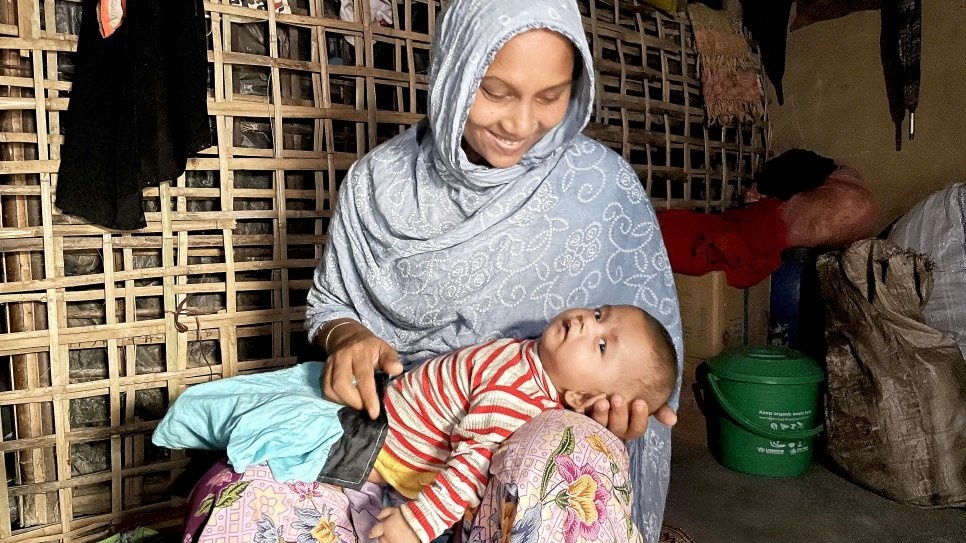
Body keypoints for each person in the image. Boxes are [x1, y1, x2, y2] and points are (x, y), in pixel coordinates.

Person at [173, 1, 683, 542]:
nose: (520, 123)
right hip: (388, 435)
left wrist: (617, 415)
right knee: (245, 500)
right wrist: (348, 337)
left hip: (517, 453)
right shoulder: (380, 185)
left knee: (570, 464)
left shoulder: (603, 191)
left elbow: (644, 358)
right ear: (454, 69)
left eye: (551, 97)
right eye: (495, 91)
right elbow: (332, 305)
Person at [154, 305, 678, 543]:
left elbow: (471, 466)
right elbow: (471, 461)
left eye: (602, 343)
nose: (589, 322)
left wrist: (416, 524)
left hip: (391, 449)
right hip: (375, 444)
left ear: (585, 396)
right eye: (602, 313)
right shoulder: (521, 374)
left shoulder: (519, 392)